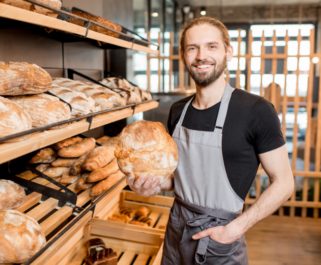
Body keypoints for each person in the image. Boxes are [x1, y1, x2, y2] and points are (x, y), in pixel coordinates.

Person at [126, 17, 294, 265]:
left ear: (229, 52)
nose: (201, 56)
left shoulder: (256, 110)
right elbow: (180, 178)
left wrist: (235, 230)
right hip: (176, 230)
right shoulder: (177, 111)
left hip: (221, 239)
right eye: (192, 48)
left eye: (211, 46)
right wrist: (153, 184)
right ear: (184, 56)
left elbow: (284, 183)